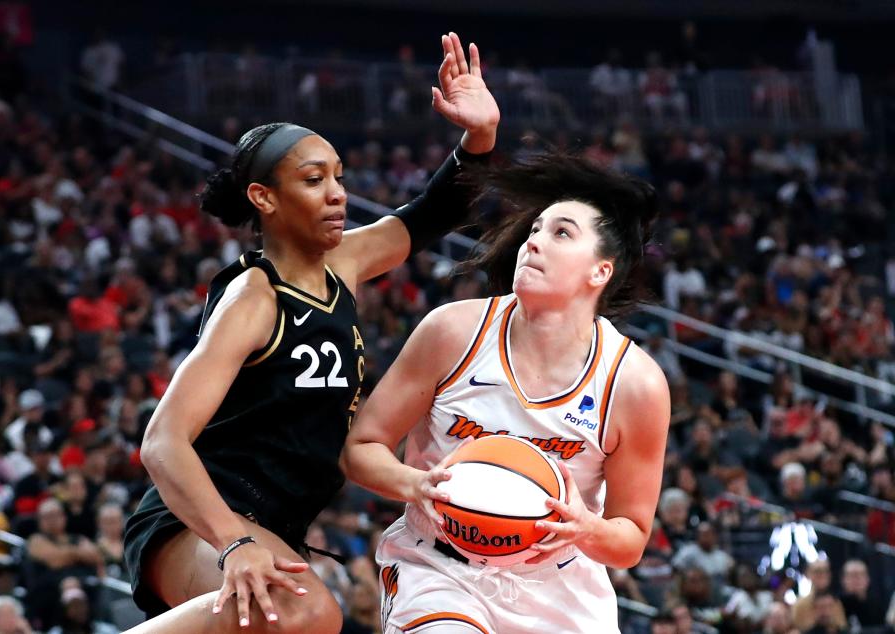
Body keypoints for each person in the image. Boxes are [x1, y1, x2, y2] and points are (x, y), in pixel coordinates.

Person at [123, 32, 500, 634]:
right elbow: (162, 441)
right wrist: (231, 543)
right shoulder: (254, 297)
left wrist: (478, 137)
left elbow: (432, 212)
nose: (338, 194)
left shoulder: (344, 262)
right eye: (314, 180)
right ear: (263, 198)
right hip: (197, 521)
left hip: (272, 522)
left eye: (339, 177)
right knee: (304, 610)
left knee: (314, 617)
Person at [342, 150, 669, 631]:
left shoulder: (635, 384)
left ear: (600, 271)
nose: (534, 242)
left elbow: (631, 537)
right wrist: (416, 484)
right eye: (535, 230)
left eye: (561, 233)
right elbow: (360, 449)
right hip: (441, 569)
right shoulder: (452, 332)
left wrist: (587, 527)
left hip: (561, 592)